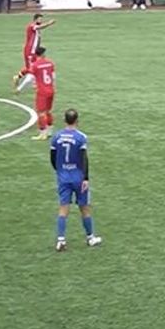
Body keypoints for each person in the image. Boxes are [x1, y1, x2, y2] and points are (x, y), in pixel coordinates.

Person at [50, 108, 102, 252]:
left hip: (63, 177)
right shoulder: (81, 137)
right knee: (84, 208)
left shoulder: (56, 137)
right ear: (77, 121)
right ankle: (90, 237)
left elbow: (52, 157)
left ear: (64, 120)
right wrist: (85, 177)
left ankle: (60, 240)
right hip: (78, 177)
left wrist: (59, 170)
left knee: (63, 208)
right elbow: (84, 158)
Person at [14, 13, 56, 93]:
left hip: (34, 50)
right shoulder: (32, 26)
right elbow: (40, 27)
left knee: (32, 66)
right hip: (30, 51)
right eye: (39, 19)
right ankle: (28, 85)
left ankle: (18, 77)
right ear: (35, 19)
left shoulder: (37, 29)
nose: (41, 21)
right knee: (31, 68)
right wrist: (49, 23)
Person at [21, 45, 56, 140]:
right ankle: (50, 131)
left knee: (41, 112)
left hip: (42, 92)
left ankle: (42, 133)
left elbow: (29, 79)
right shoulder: (50, 63)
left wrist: (20, 88)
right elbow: (53, 77)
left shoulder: (35, 65)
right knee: (48, 111)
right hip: (51, 90)